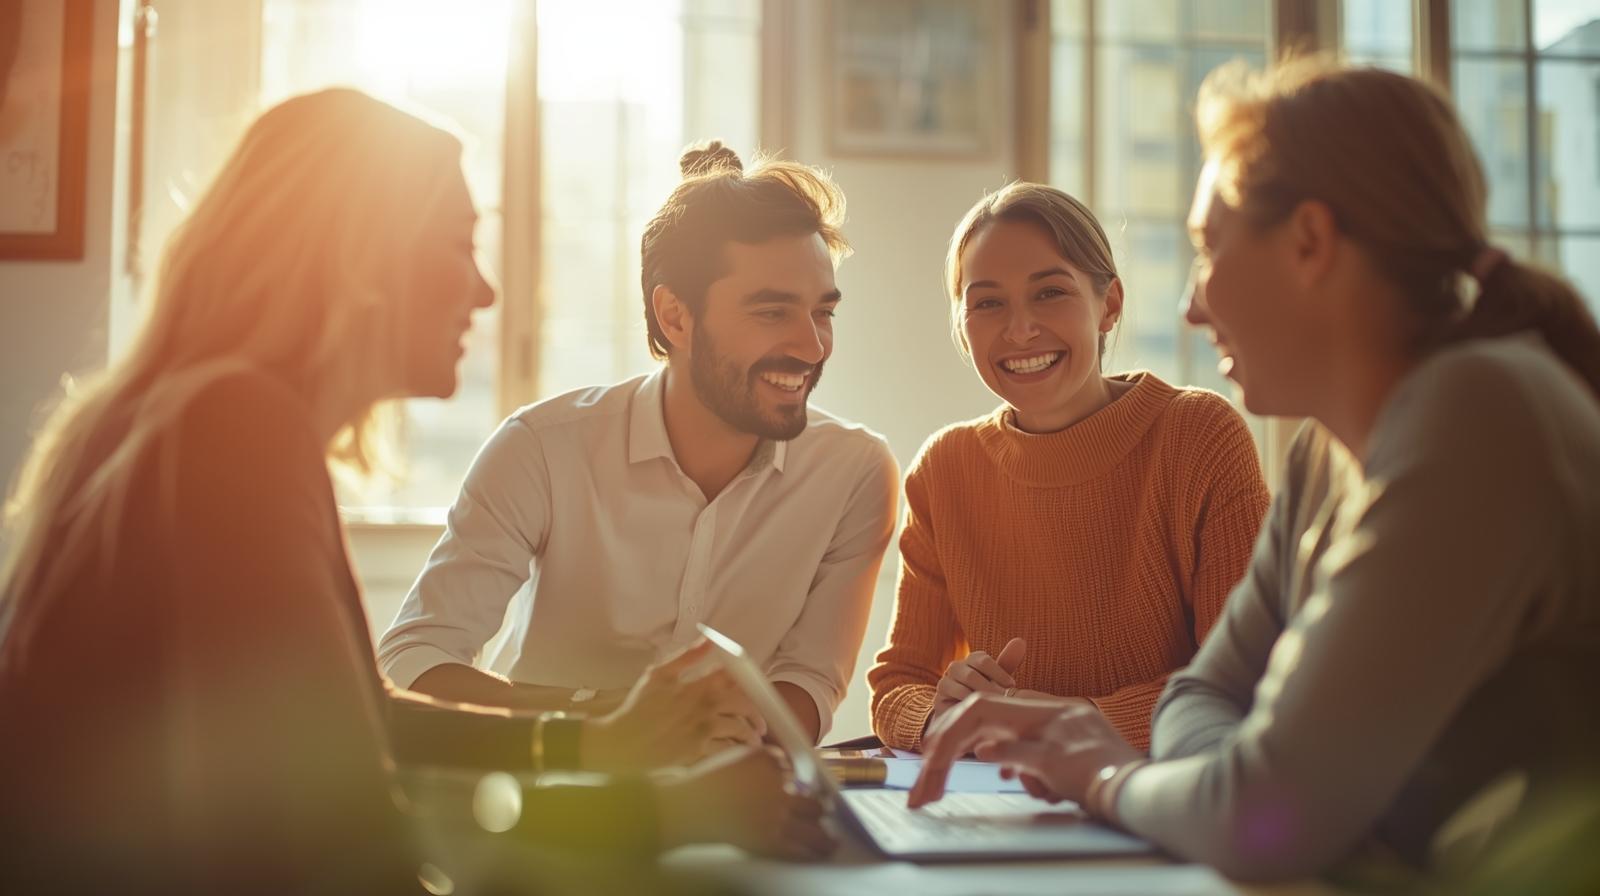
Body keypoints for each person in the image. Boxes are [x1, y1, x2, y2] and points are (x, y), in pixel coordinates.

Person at [0, 90, 831, 894]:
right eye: (459, 246)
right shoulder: (233, 430)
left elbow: (361, 721)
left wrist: (590, 745)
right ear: (361, 258)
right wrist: (663, 810)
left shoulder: (210, 415)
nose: (485, 291)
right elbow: (349, 824)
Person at [908, 58, 1600, 887]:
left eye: (1208, 248)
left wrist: (1102, 774)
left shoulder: (1478, 411)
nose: (1192, 306)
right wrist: (1221, 777)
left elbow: (1261, 817)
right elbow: (1204, 703)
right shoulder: (1324, 453)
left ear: (1309, 242)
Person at [377, 141, 899, 748]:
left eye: (823, 313)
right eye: (772, 312)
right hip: (545, 788)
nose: (812, 347)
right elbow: (415, 657)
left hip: (733, 801)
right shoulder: (542, 448)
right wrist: (610, 725)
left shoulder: (856, 472)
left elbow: (808, 684)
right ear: (675, 317)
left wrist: (689, 748)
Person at [866, 183, 1269, 753]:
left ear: (1109, 305)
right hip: (994, 804)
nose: (1020, 330)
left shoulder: (1199, 435)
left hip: (1156, 803)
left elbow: (1239, 684)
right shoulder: (945, 468)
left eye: (1050, 292)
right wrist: (941, 710)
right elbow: (896, 687)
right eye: (986, 303)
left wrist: (1061, 722)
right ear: (961, 323)